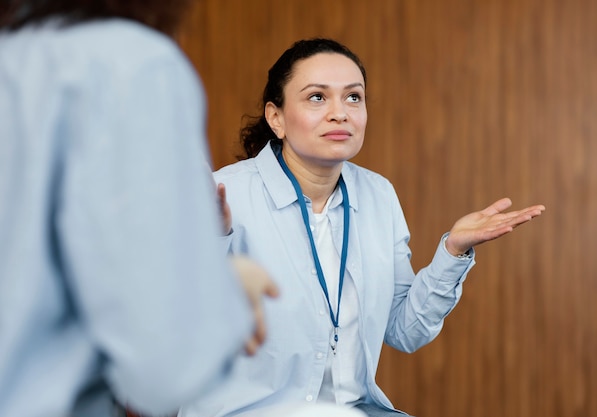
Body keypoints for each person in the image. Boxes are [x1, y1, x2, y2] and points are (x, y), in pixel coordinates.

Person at [178, 38, 546, 417]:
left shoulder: (378, 195)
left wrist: (452, 251)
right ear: (277, 118)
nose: (340, 113)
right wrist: (212, 240)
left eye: (353, 97)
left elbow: (406, 331)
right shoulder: (223, 195)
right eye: (317, 97)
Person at [0, 1, 279, 417]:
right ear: (275, 117)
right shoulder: (127, 65)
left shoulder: (14, 59)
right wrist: (219, 291)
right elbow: (165, 371)